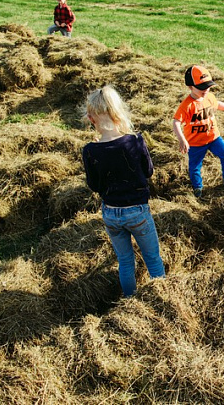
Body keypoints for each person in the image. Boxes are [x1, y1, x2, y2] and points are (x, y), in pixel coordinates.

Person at [82, 86, 166, 297]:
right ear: (119, 111)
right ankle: (162, 298)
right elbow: (148, 171)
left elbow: (94, 186)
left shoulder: (90, 150)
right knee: (153, 259)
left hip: (111, 213)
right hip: (137, 211)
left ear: (92, 120)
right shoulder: (135, 141)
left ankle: (129, 299)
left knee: (125, 261)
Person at [173, 65, 224, 198]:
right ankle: (198, 187)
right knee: (195, 166)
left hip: (213, 138)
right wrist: (182, 139)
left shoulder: (209, 97)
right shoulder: (187, 105)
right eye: (202, 87)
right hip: (195, 142)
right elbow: (176, 121)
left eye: (208, 86)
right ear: (190, 87)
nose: (206, 90)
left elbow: (217, 104)